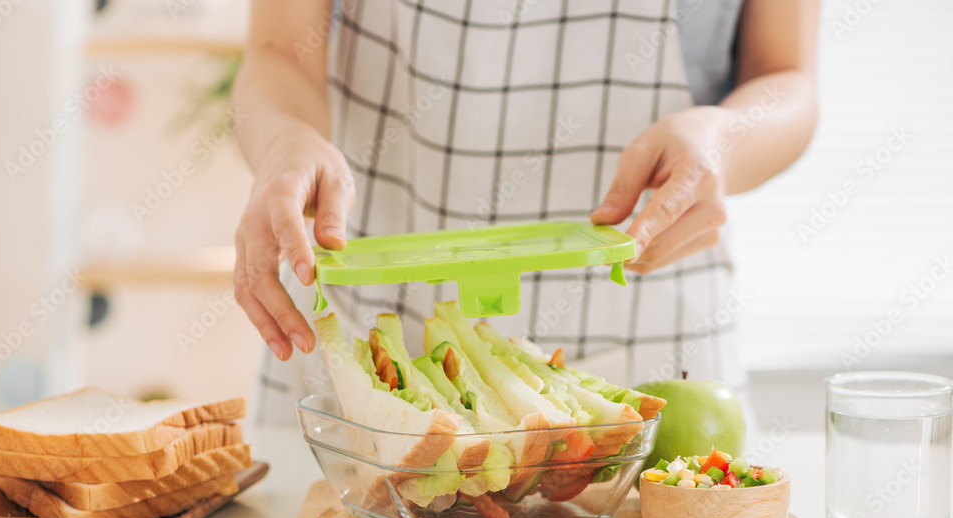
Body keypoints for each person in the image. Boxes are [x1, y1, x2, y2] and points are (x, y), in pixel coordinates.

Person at [230, 0, 819, 425]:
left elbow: (787, 76)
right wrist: (284, 140)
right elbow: (278, 50)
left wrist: (726, 139)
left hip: (649, 327)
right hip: (364, 332)